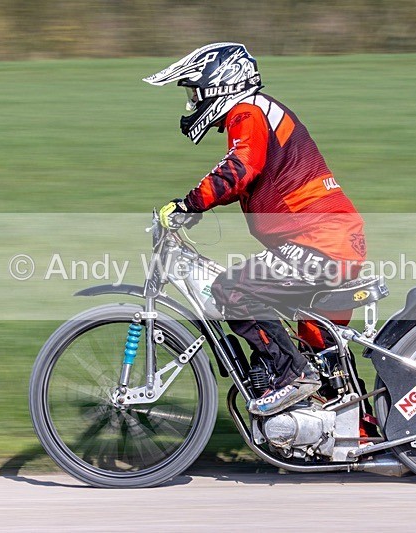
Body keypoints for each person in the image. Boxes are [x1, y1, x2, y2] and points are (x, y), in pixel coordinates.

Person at [144, 43, 366, 416]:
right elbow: (251, 179)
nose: (191, 105)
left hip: (319, 238)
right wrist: (202, 204)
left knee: (232, 290)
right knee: (322, 353)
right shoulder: (261, 111)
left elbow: (241, 168)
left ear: (220, 84)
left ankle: (292, 377)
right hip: (330, 236)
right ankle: (360, 430)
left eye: (194, 93)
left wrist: (188, 203)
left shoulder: (246, 111)